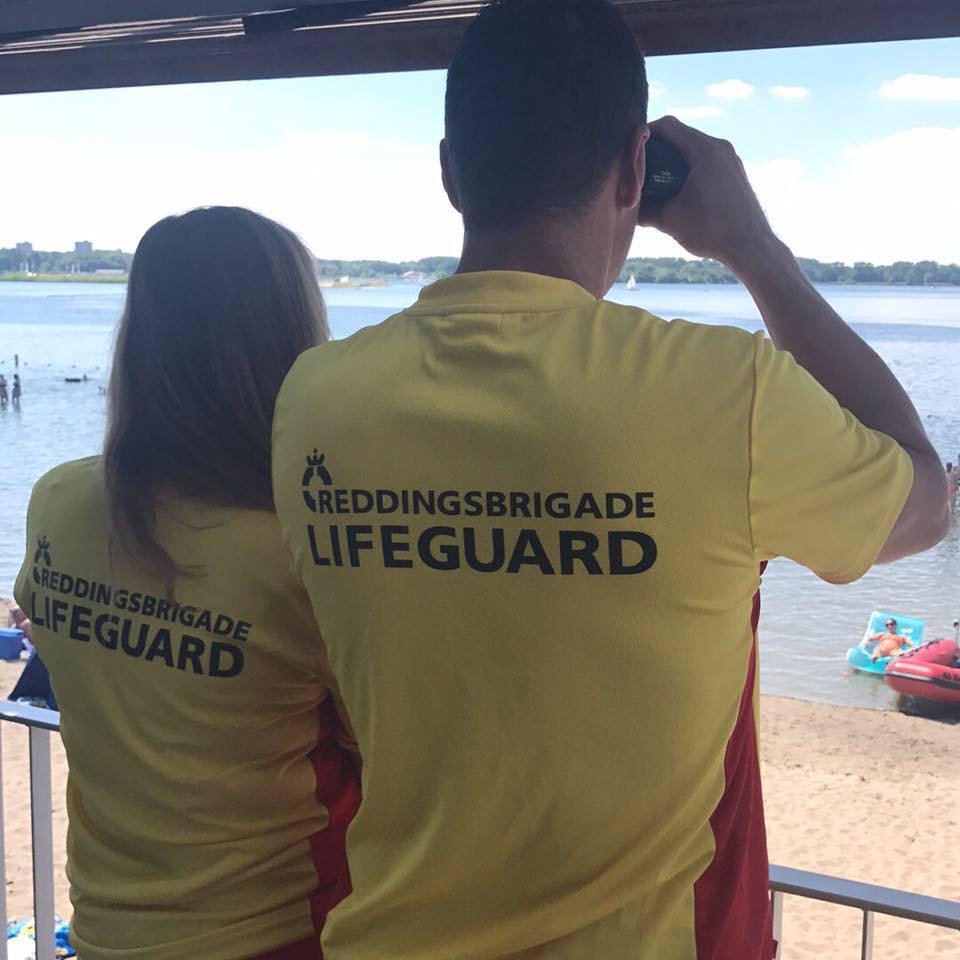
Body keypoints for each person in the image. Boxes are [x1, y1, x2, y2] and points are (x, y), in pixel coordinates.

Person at [271, 2, 949, 958]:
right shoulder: (725, 394)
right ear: (636, 169)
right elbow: (924, 501)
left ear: (450, 173)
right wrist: (752, 247)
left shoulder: (315, 401)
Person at [15, 207, 360, 960]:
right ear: (294, 341)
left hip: (109, 925)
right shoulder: (305, 551)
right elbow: (394, 747)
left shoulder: (58, 502)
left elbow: (50, 635)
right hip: (278, 929)